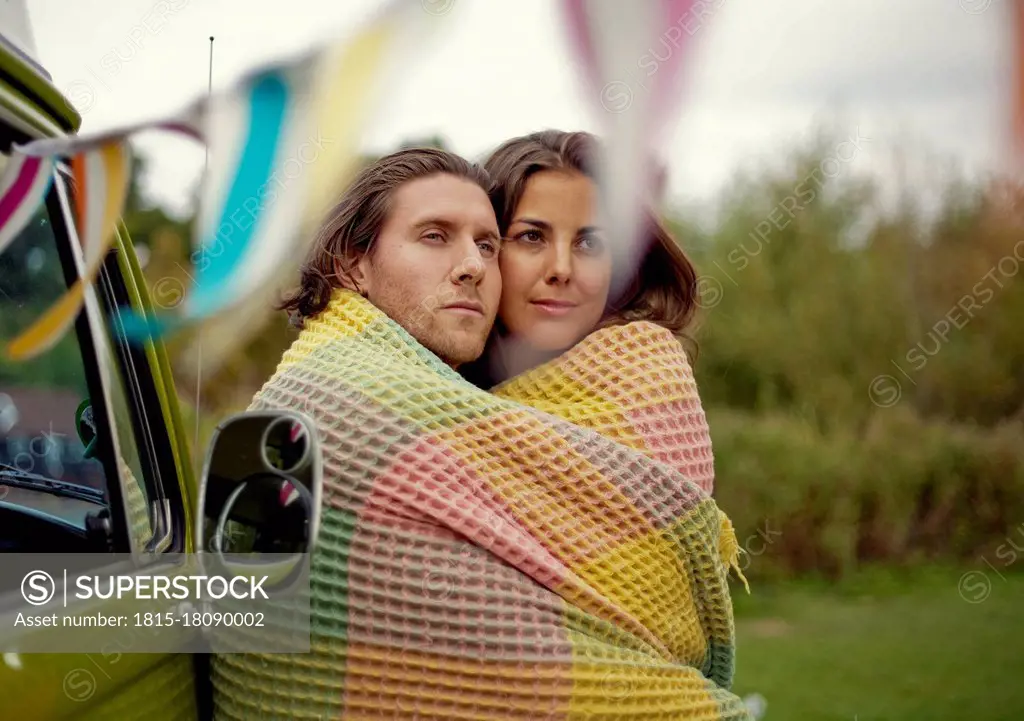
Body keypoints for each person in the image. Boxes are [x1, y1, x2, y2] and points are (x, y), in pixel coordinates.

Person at [212, 147, 751, 720]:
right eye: (435, 236)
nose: (472, 265)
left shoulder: (507, 397)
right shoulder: (339, 398)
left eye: (487, 244)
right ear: (353, 265)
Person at [463, 130, 717, 496]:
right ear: (483, 248)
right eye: (532, 237)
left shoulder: (650, 390)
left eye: (590, 243)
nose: (561, 269)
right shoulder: (418, 384)